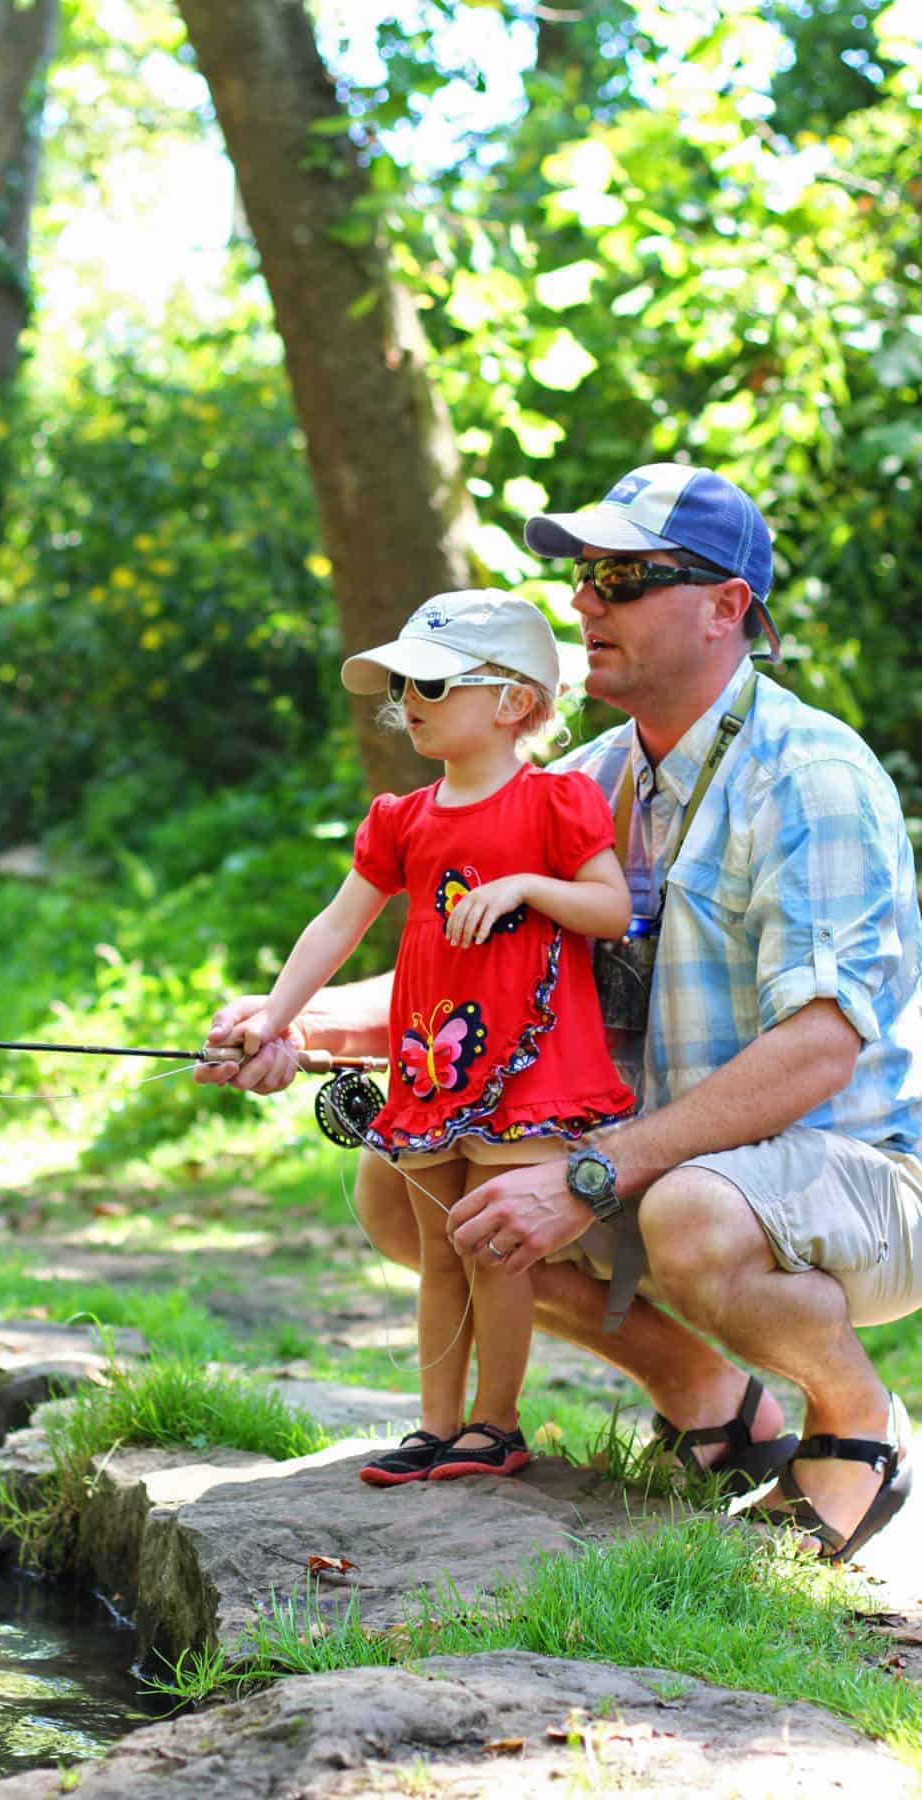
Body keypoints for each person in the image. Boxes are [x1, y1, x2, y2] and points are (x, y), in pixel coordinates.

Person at [201, 462, 920, 1562]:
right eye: (584, 577)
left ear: (727, 608)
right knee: (408, 1193)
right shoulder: (581, 782)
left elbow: (821, 1049)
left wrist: (594, 1171)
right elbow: (463, 977)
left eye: (624, 577)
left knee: (687, 1215)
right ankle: (713, 1406)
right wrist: (291, 1025)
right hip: (673, 1157)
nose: (584, 601)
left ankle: (859, 1424)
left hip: (854, 1168)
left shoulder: (807, 776)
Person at [234, 589, 635, 1485]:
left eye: (431, 682)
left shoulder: (555, 804)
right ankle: (434, 1424)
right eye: (401, 683)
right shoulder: (402, 819)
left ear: (514, 702)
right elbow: (336, 927)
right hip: (430, 1068)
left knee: (496, 1251)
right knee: (441, 1254)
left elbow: (611, 909)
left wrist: (529, 888)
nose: (407, 699)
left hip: (524, 1070)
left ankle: (496, 1426)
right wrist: (274, 1015)